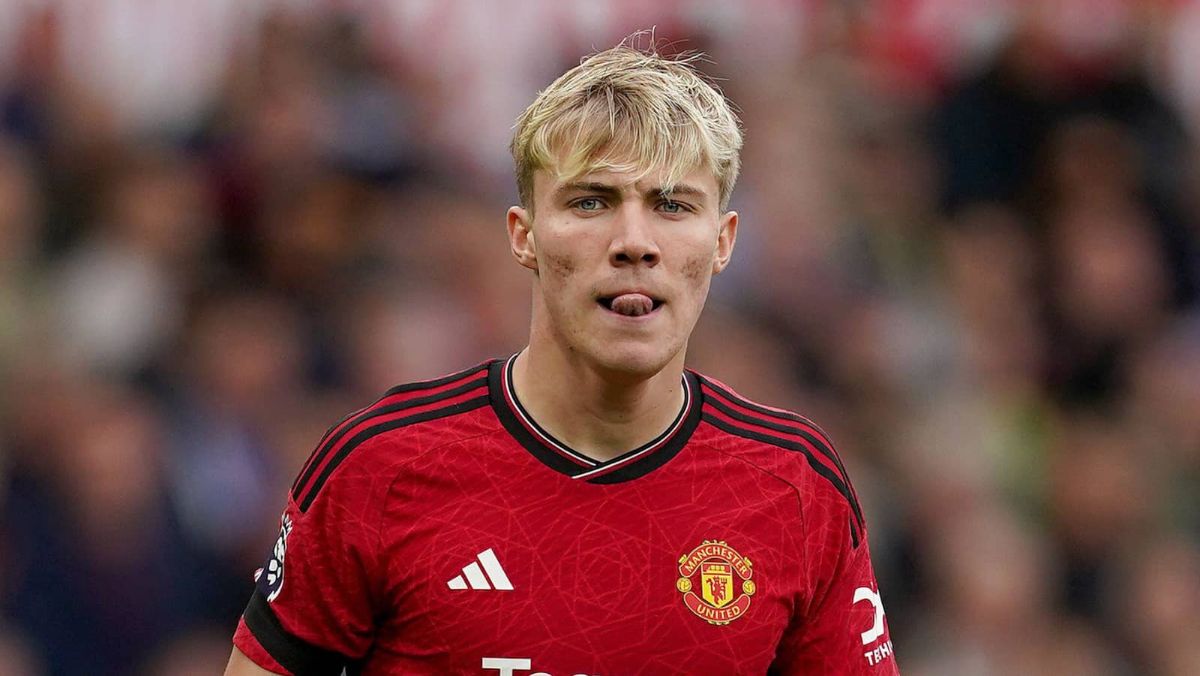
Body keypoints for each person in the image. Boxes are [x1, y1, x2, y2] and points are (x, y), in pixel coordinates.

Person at [225, 39, 899, 675]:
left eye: (672, 205)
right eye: (591, 201)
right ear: (524, 236)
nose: (634, 242)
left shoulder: (795, 486)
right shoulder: (380, 469)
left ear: (722, 242)